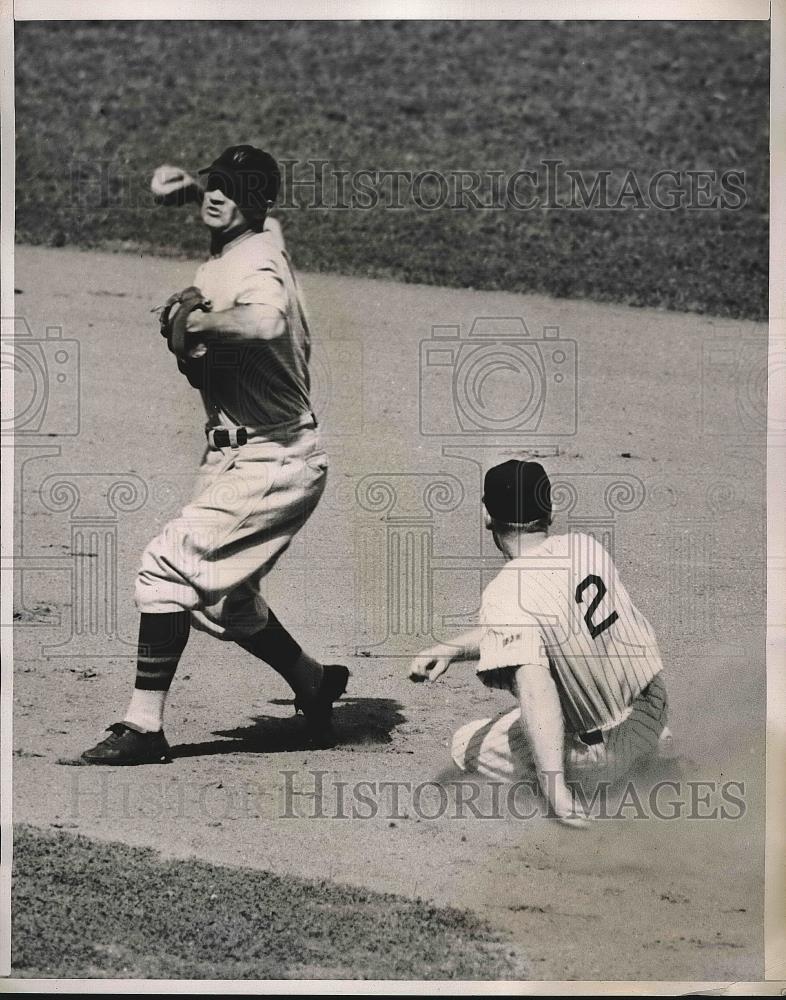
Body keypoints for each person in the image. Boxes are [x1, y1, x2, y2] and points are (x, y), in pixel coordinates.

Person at [79, 145, 348, 765]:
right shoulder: (254, 238)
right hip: (237, 455)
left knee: (165, 568)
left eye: (235, 188)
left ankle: (144, 727)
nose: (219, 194)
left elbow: (265, 323)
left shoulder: (255, 264)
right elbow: (252, 222)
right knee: (228, 599)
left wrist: (198, 326)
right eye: (214, 184)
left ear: (260, 201)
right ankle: (314, 682)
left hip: (275, 457)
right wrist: (188, 193)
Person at [408, 460, 670, 828]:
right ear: (549, 509)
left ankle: (580, 793)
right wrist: (452, 649)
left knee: (466, 743)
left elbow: (535, 687)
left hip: (602, 755)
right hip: (653, 715)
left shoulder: (506, 592)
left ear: (487, 515)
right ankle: (650, 758)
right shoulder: (585, 548)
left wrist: (555, 789)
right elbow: (542, 628)